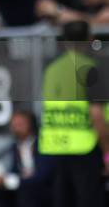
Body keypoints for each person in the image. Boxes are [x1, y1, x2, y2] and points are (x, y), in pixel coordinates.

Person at [39, 20, 109, 207]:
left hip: (56, 145)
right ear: (90, 38)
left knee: (63, 199)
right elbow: (96, 114)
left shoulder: (51, 70)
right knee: (90, 199)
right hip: (85, 146)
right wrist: (107, 153)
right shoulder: (93, 68)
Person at [0, 110, 55, 207]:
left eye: (20, 124)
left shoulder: (43, 145)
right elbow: (15, 172)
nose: (17, 129)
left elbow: (42, 177)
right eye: (14, 125)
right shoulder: (15, 147)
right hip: (23, 189)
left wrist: (7, 181)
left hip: (42, 192)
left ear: (31, 125)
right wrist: (2, 179)